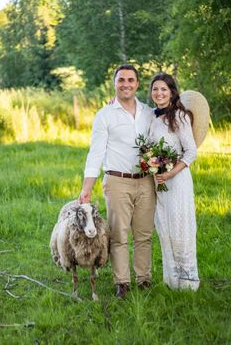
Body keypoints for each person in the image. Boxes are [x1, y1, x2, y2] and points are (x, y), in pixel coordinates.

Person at [79, 64, 156, 299]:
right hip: (117, 182)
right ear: (114, 83)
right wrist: (86, 188)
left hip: (146, 182)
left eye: (131, 80)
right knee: (119, 235)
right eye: (121, 80)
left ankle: (144, 279)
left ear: (137, 84)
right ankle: (122, 282)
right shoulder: (105, 115)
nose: (126, 84)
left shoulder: (149, 113)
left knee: (144, 234)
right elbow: (96, 153)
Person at [149, 72, 200, 290]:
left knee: (181, 228)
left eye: (163, 89)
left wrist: (170, 173)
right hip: (159, 183)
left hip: (177, 181)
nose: (159, 93)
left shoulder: (179, 116)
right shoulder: (151, 116)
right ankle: (171, 281)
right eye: (155, 89)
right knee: (165, 227)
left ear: (172, 92)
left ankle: (188, 284)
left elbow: (190, 152)